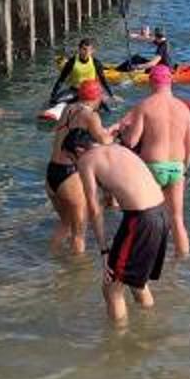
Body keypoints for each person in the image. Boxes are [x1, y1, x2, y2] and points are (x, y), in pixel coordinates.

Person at [67, 128, 169, 324]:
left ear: (79, 151)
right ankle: (150, 327)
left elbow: (94, 208)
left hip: (140, 219)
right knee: (136, 283)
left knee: (111, 287)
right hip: (161, 213)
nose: (75, 165)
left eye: (73, 160)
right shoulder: (118, 149)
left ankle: (118, 347)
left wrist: (104, 251)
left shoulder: (87, 160)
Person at [113, 65, 190, 254]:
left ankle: (146, 258)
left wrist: (122, 130)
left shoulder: (145, 105)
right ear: (170, 82)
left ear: (151, 82)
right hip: (176, 167)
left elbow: (132, 141)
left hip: (152, 167)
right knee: (177, 219)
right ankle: (182, 263)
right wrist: (184, 168)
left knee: (145, 218)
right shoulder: (183, 108)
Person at [44, 81, 113, 254]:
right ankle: (78, 275)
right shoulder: (91, 115)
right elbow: (104, 140)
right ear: (96, 97)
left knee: (66, 223)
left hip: (52, 173)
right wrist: (113, 133)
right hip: (69, 175)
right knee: (79, 233)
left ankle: (53, 262)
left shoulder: (68, 108)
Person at [48, 38, 116, 105]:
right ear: (79, 49)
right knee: (54, 101)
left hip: (92, 92)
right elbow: (61, 80)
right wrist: (53, 95)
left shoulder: (96, 63)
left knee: (106, 108)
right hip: (75, 91)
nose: (86, 52)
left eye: (89, 50)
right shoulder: (71, 62)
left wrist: (111, 95)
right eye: (84, 49)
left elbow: (103, 80)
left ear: (92, 51)